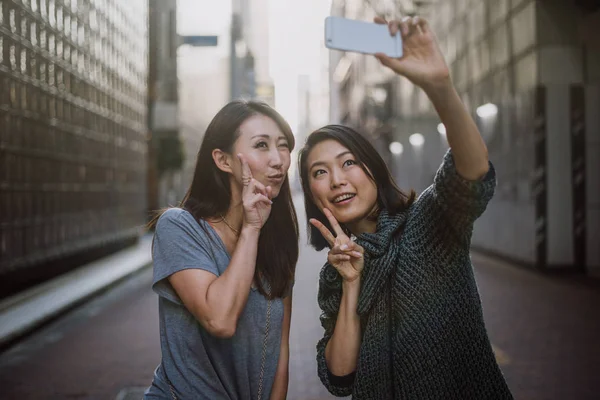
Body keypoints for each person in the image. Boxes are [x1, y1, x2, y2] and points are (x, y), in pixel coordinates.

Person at [298, 16, 513, 399]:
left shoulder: (426, 221)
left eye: (348, 162)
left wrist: (439, 86)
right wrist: (351, 285)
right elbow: (340, 377)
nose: (337, 180)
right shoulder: (336, 274)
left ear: (373, 169)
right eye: (320, 171)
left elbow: (473, 176)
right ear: (312, 193)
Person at [144, 100, 299, 400]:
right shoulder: (179, 227)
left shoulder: (277, 239)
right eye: (261, 145)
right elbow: (220, 319)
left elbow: (279, 350)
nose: (278, 160)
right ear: (223, 160)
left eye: (283, 146)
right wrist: (251, 230)